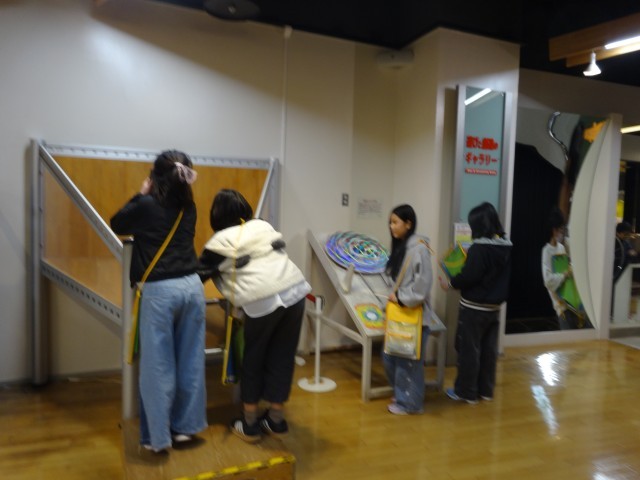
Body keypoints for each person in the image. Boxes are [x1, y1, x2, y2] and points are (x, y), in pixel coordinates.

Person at [110, 150, 207, 453]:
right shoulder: (189, 207)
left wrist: (141, 194)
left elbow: (117, 223)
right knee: (191, 362)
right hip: (192, 287)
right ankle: (185, 429)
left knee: (157, 367)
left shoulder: (147, 205)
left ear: (154, 177)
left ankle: (158, 437)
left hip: (160, 292)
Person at [198, 189, 311, 443]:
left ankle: (249, 424)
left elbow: (197, 275)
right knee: (282, 356)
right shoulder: (263, 226)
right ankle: (276, 420)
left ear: (216, 216)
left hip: (263, 301)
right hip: (295, 292)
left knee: (254, 357)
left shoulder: (219, 242)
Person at [438, 202, 511, 404]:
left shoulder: (479, 249)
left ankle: (466, 392)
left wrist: (449, 283)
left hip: (473, 308)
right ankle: (485, 391)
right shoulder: (506, 247)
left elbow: (469, 276)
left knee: (468, 350)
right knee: (489, 350)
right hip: (494, 309)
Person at [382, 204, 432, 415]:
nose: (392, 227)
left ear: (408, 224)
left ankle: (410, 404)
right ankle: (403, 394)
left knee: (408, 362)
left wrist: (400, 298)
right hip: (401, 315)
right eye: (390, 223)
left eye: (395, 222)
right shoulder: (403, 247)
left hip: (414, 316)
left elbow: (422, 285)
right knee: (392, 357)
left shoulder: (419, 249)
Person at [541, 206, 584, 329]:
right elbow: (548, 280)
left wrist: (571, 269)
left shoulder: (562, 248)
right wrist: (565, 274)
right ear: (553, 230)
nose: (561, 232)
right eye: (560, 229)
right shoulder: (546, 251)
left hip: (572, 300)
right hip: (560, 304)